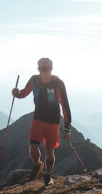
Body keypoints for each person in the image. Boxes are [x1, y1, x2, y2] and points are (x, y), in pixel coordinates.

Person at [12, 57, 72, 185]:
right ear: (38, 69)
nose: (44, 71)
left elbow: (65, 105)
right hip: (38, 118)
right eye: (41, 68)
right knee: (33, 148)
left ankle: (48, 175)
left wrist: (66, 129)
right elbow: (24, 93)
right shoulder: (35, 80)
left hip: (53, 121)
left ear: (51, 69)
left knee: (50, 151)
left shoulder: (58, 83)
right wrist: (16, 93)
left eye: (46, 68)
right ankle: (38, 165)